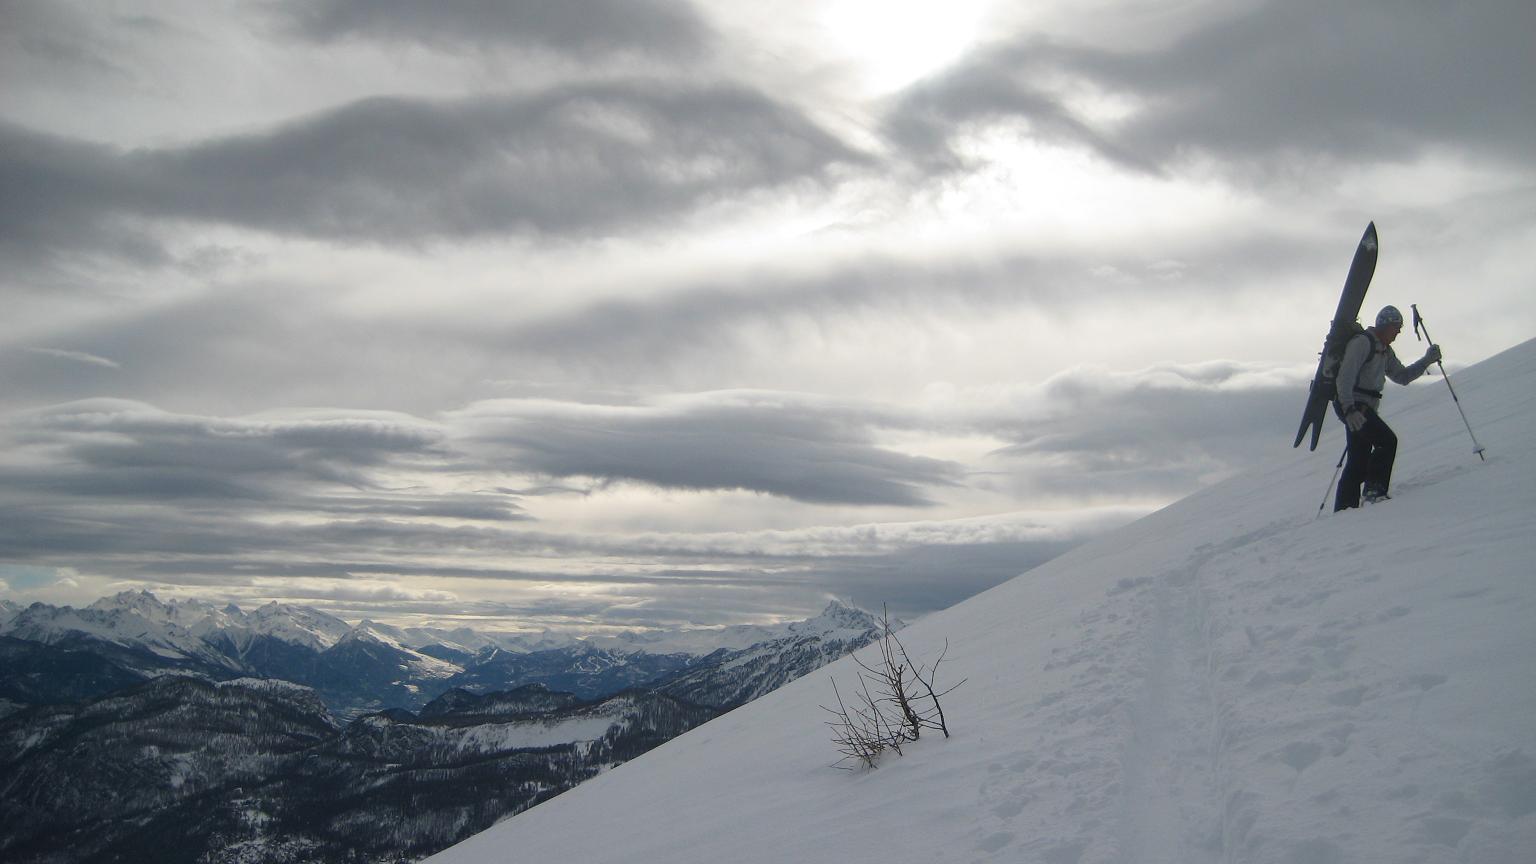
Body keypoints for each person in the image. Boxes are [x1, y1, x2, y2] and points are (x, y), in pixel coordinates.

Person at [1333, 305, 1441, 511]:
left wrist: (1427, 360)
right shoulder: (1362, 343)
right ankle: (1374, 491)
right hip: (1355, 405)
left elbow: (1402, 377)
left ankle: (1344, 509)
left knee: (1359, 458)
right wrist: (1349, 409)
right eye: (1396, 328)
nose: (1398, 333)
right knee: (1386, 441)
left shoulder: (1384, 351)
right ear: (1385, 325)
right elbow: (1345, 377)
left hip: (1359, 407)